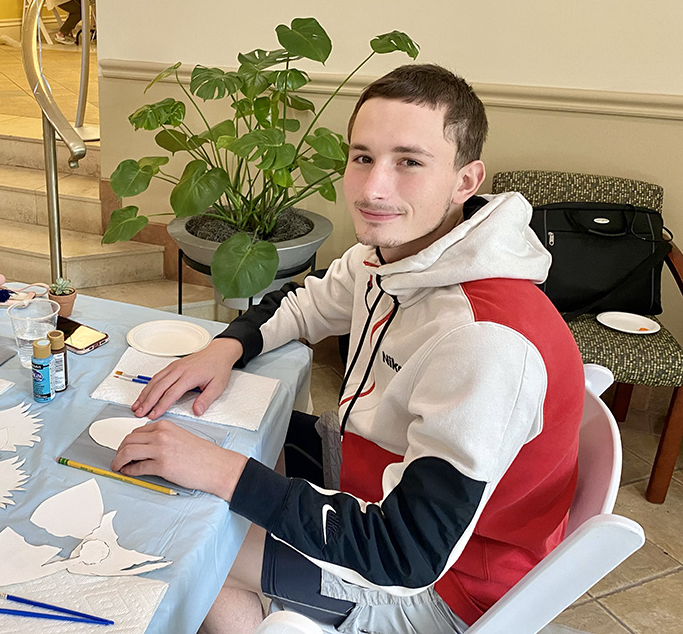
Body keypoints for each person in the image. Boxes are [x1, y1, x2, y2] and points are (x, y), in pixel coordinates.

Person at [112, 64, 584, 633]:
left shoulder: (485, 342)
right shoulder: (396, 256)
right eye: (362, 157)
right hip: (366, 479)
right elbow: (306, 304)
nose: (373, 188)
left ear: (466, 180)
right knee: (217, 437)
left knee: (179, 541)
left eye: (409, 161)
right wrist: (225, 348)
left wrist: (225, 472)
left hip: (443, 593)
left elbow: (403, 555)